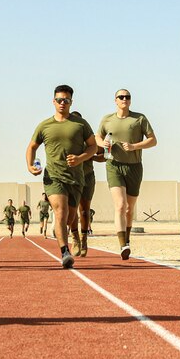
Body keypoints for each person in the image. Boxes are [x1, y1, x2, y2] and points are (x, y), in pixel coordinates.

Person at [27, 85, 97, 269]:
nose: (62, 103)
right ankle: (65, 252)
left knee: (69, 217)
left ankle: (74, 236)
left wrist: (81, 158)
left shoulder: (80, 124)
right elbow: (32, 146)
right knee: (60, 211)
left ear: (71, 102)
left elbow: (93, 147)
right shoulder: (45, 125)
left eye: (66, 100)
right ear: (53, 101)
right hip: (53, 177)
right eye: (59, 100)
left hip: (76, 179)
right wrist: (30, 165)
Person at [97, 88, 157, 260]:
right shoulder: (107, 119)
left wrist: (134, 146)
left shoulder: (139, 118)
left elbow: (153, 140)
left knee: (129, 209)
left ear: (130, 100)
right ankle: (123, 244)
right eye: (121, 97)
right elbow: (97, 137)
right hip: (114, 165)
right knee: (120, 205)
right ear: (115, 100)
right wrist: (104, 145)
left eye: (127, 97)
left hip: (134, 167)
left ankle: (127, 239)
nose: (124, 99)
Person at [67, 110, 105, 257]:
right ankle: (75, 238)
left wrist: (90, 157)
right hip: (72, 177)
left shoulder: (91, 138)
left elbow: (105, 157)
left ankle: (84, 238)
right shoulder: (68, 138)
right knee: (72, 209)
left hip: (88, 176)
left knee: (84, 210)